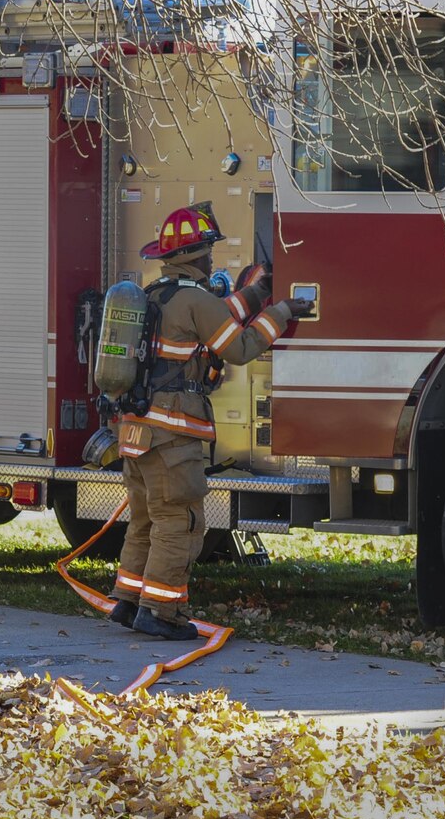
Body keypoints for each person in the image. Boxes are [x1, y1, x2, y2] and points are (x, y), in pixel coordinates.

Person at [110, 205, 311, 639]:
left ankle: (128, 601)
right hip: (171, 436)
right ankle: (161, 613)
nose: (213, 260)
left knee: (146, 520)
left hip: (136, 432)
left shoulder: (156, 294)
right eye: (209, 252)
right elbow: (238, 348)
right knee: (179, 522)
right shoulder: (195, 300)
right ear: (197, 255)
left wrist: (257, 294)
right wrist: (282, 312)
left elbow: (222, 312)